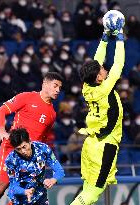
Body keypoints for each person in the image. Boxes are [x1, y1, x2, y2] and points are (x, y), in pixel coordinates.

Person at [0, 72, 63, 205]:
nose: (58, 90)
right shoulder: (26, 97)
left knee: (24, 196)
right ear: (45, 84)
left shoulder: (52, 114)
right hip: (11, 148)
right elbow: (1, 111)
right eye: (55, 86)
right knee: (0, 187)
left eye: (60, 88)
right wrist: (2, 130)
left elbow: (42, 139)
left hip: (29, 156)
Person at [70, 18, 125, 204]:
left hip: (91, 143)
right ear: (100, 78)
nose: (104, 67)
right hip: (106, 144)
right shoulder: (104, 88)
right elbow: (118, 64)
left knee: (88, 188)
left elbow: (96, 61)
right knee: (95, 191)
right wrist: (119, 39)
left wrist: (104, 38)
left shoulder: (87, 86)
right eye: (102, 69)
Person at [5, 127, 65, 205]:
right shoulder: (11, 160)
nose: (22, 151)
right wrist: (25, 192)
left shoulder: (43, 149)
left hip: (40, 195)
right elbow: (13, 186)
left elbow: (59, 171)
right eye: (18, 149)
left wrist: (52, 180)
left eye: (24, 147)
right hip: (20, 200)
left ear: (29, 141)